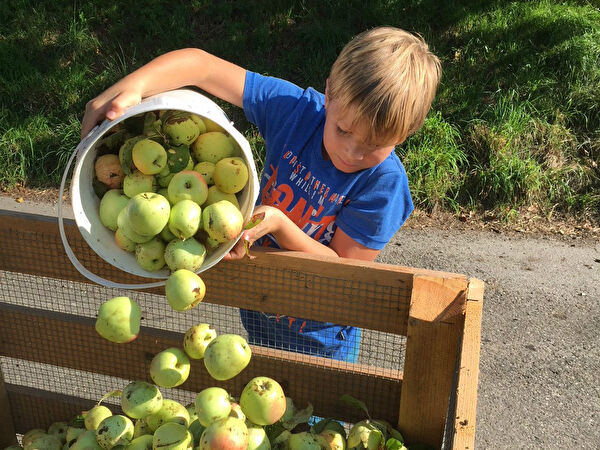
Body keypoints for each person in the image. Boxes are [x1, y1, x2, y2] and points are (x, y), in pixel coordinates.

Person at [81, 26, 442, 363]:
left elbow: (344, 273)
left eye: (375, 145)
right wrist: (133, 86)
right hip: (258, 302)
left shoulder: (384, 186)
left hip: (317, 333)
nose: (352, 152)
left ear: (407, 133)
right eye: (343, 130)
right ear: (329, 94)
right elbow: (201, 66)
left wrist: (281, 227)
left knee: (309, 422)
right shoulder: (297, 113)